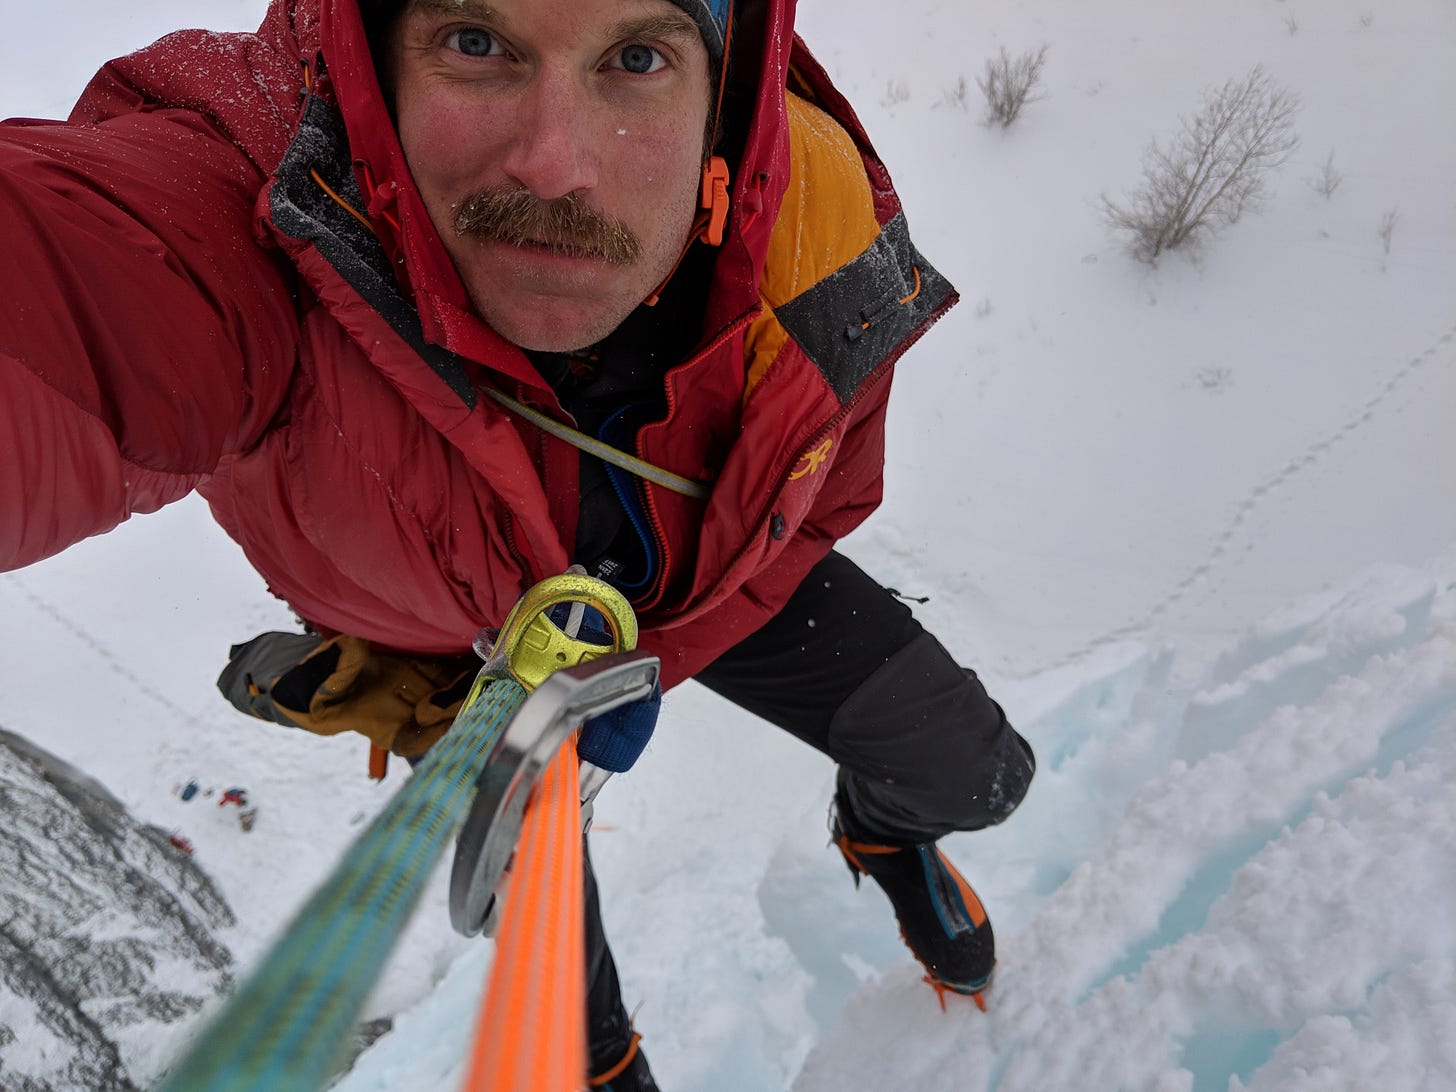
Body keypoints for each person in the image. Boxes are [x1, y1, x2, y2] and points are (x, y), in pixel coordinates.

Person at [0, 0, 1035, 1086]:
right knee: (568, 1016)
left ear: (720, 97)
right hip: (470, 662)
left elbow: (820, 497)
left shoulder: (808, 238)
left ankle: (884, 832)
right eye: (475, 43)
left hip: (707, 585)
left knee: (976, 774)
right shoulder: (263, 203)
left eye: (636, 58)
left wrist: (638, 665)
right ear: (373, 55)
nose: (554, 166)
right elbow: (79, 289)